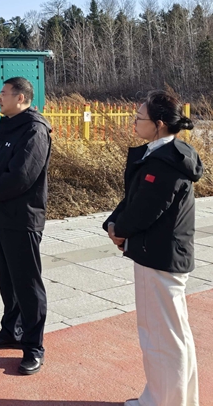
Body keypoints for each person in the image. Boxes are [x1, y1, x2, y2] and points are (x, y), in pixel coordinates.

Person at [104, 91, 202, 406]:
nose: (134, 123)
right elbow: (136, 199)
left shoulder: (164, 162)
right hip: (165, 255)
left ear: (158, 124)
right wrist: (114, 224)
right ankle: (179, 399)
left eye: (139, 118)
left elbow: (146, 209)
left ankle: (162, 402)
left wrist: (120, 230)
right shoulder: (169, 154)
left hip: (158, 257)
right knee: (174, 335)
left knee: (160, 336)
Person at [0, 77, 51, 375]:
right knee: (8, 280)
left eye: (3, 93)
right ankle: (11, 331)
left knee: (27, 284)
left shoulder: (34, 130)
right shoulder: (4, 127)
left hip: (23, 217)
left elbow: (22, 175)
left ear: (20, 98)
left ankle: (33, 346)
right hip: (1, 214)